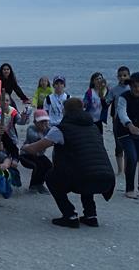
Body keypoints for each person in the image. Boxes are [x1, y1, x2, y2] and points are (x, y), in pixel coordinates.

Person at [22, 97, 116, 228]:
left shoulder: (61, 129)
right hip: (107, 179)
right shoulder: (94, 128)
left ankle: (70, 215)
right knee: (86, 169)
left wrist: (24, 147)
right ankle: (91, 215)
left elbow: (35, 148)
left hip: (83, 179)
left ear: (65, 111)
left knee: (51, 177)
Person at [20, 109, 53, 194]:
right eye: (41, 122)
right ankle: (33, 185)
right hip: (26, 155)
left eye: (45, 121)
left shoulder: (48, 129)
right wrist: (46, 137)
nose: (44, 123)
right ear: (35, 122)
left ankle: (40, 184)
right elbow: (34, 138)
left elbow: (55, 135)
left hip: (39, 155)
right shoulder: (31, 128)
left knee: (49, 166)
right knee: (38, 166)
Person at [109, 67, 131, 175]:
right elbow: (107, 101)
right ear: (117, 77)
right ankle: (120, 170)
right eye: (120, 75)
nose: (122, 77)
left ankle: (127, 169)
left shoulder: (132, 88)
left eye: (125, 75)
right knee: (118, 145)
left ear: (129, 76)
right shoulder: (114, 90)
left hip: (131, 120)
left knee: (129, 146)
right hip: (117, 121)